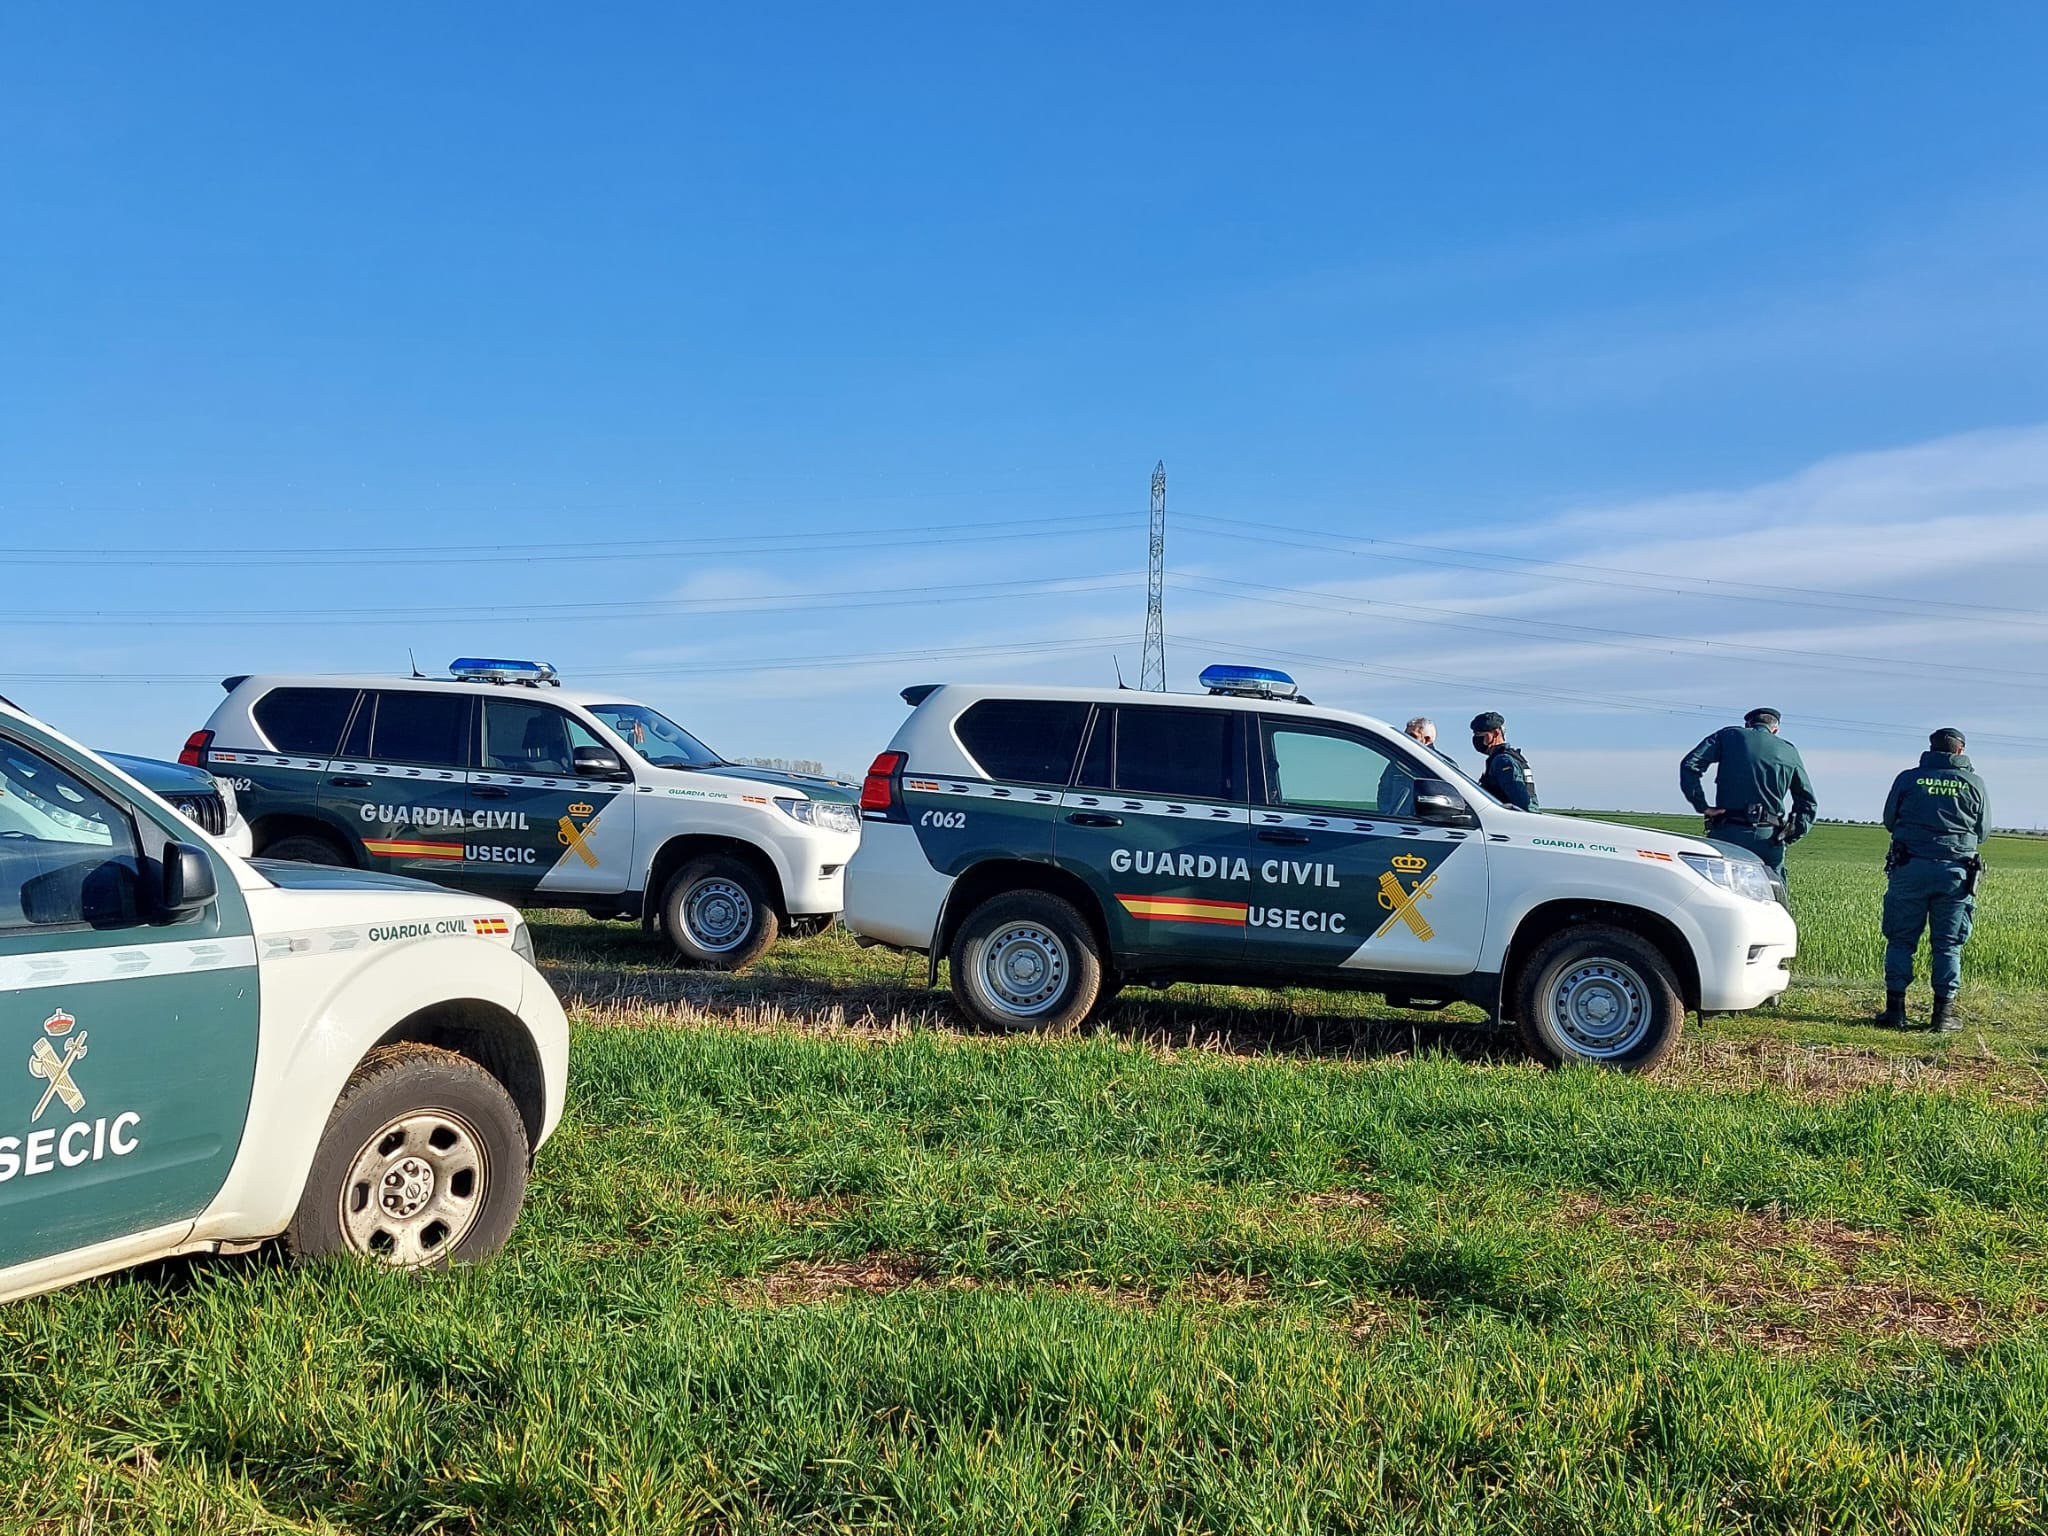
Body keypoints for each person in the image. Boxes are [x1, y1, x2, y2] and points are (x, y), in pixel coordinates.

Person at [1875, 728, 1988, 1033]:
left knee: (1900, 940)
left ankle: (1895, 1012)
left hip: (1909, 868)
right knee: (1948, 944)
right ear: (1960, 751)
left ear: (1931, 749)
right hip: (1955, 874)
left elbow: (1888, 820)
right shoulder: (1973, 783)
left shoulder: (1908, 779)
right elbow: (1984, 831)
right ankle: (1942, 1016)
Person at [1678, 707, 1816, 876]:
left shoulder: (1728, 736)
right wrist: (1789, 836)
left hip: (1727, 832)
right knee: (1772, 895)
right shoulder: (1789, 750)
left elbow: (1690, 764)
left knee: (1718, 890)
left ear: (1748, 725)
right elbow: (1807, 803)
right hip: (1768, 836)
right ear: (1775, 730)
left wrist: (1702, 806)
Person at [1468, 712, 1538, 810]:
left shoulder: (1503, 761)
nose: (1476, 738)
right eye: (1475, 734)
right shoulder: (1510, 758)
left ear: (1496, 733)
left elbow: (1521, 803)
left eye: (1479, 734)